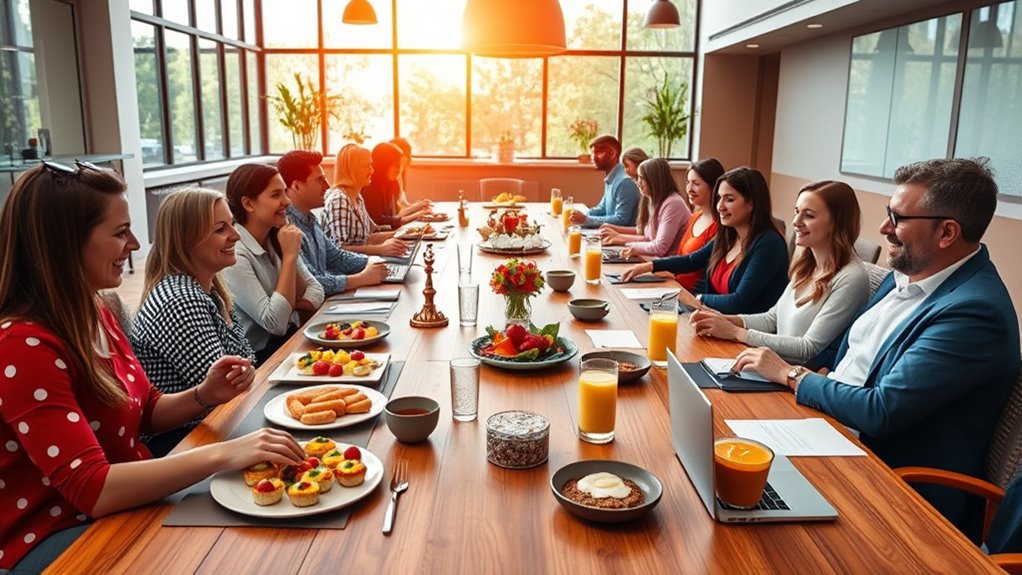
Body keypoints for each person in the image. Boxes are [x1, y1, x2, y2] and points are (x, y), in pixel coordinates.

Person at [0, 163, 304, 572]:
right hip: (60, 536)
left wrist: (203, 395)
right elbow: (91, 488)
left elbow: (144, 410)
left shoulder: (95, 307)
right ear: (65, 243)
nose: (135, 243)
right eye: (120, 232)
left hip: (121, 506)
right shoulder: (22, 346)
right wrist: (221, 455)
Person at [732, 158, 1021, 536]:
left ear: (947, 232)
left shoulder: (973, 311)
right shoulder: (904, 275)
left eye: (898, 218)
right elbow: (846, 356)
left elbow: (881, 410)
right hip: (830, 432)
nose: (884, 227)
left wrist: (791, 375)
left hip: (893, 489)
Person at [131, 188, 258, 457]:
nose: (235, 235)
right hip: (181, 442)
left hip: (209, 426)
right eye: (220, 229)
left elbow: (247, 360)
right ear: (187, 240)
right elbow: (228, 391)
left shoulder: (210, 287)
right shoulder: (180, 299)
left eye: (232, 225)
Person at [690, 180, 870, 365]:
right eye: (797, 211)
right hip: (772, 366)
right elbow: (772, 319)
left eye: (808, 215)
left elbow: (807, 348)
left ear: (836, 222)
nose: (796, 222)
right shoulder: (807, 265)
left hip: (794, 378)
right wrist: (722, 320)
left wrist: (736, 332)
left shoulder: (852, 278)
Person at [621, 166, 788, 314]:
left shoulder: (769, 244)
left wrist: (693, 298)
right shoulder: (729, 235)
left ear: (751, 203)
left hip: (744, 336)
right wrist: (650, 266)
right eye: (718, 198)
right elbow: (692, 260)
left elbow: (738, 302)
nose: (720, 206)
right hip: (714, 321)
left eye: (729, 199)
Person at [222, 163, 325, 364]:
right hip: (258, 361)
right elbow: (276, 323)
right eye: (276, 195)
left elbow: (316, 292)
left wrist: (286, 304)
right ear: (249, 204)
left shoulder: (278, 235)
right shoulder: (235, 252)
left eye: (284, 193)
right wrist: (289, 257)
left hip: (289, 342)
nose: (287, 201)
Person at [277, 150, 387, 295]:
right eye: (319, 180)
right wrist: (362, 278)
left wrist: (372, 262)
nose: (327, 186)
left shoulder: (310, 219)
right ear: (297, 186)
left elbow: (336, 257)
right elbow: (312, 284)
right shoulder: (287, 228)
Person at [322, 143, 409, 257]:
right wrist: (380, 250)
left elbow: (369, 236)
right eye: (367, 166)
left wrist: (401, 234)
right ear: (353, 170)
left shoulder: (357, 197)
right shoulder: (339, 200)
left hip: (361, 263)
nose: (372, 170)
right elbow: (339, 250)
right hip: (345, 271)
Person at [599, 158, 691, 257]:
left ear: (654, 180)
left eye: (642, 178)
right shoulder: (653, 200)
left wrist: (627, 244)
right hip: (657, 261)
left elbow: (660, 248)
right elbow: (648, 238)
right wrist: (617, 237)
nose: (638, 183)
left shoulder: (673, 203)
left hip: (670, 267)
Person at [673, 158, 724, 290]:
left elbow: (699, 268)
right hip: (675, 286)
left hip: (692, 295)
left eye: (696, 183)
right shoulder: (695, 217)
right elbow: (681, 258)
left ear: (713, 187)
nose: (689, 189)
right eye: (688, 183)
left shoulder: (720, 226)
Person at [569, 134, 640, 227]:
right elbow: (602, 209)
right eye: (592, 153)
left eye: (597, 152)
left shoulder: (625, 182)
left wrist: (587, 220)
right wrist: (578, 216)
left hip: (621, 239)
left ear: (612, 153)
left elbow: (621, 219)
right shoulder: (612, 177)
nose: (593, 157)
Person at [361, 142, 430, 229]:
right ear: (384, 164)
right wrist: (415, 215)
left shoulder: (391, 183)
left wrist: (417, 210)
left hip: (390, 231)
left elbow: (395, 215)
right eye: (396, 165)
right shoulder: (369, 186)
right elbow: (378, 220)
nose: (399, 169)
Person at [389, 137, 432, 213]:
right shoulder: (391, 179)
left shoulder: (400, 176)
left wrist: (419, 205)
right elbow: (398, 211)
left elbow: (404, 203)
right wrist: (417, 208)